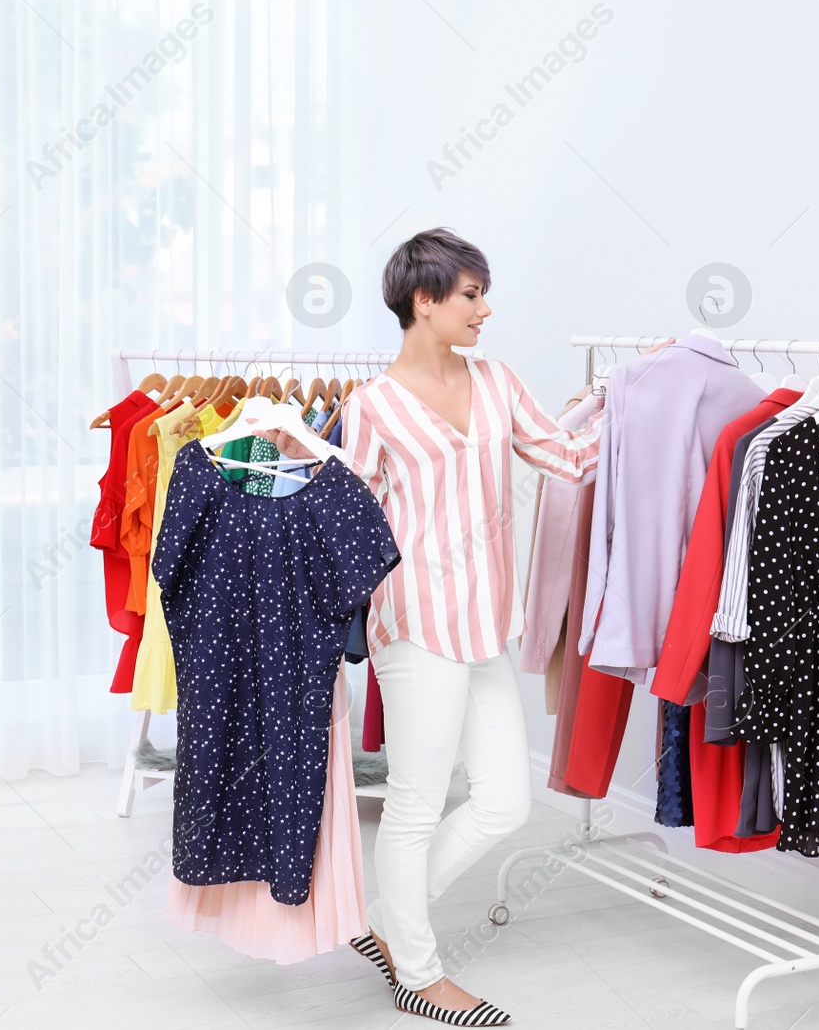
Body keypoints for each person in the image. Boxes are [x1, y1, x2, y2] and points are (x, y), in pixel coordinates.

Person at [259, 228, 616, 1025]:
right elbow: (342, 509)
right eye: (471, 295)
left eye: (484, 294)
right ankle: (418, 972)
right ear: (424, 301)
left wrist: (633, 398)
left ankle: (389, 919)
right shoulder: (373, 407)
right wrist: (298, 456)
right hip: (415, 622)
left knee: (503, 800)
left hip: (485, 618)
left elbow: (568, 458)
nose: (485, 310)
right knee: (418, 802)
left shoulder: (497, 384)